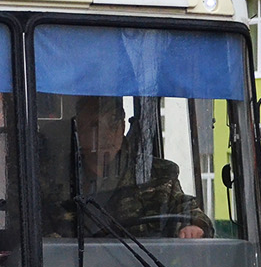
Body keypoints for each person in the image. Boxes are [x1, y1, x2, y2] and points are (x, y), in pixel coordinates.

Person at [60, 95, 213, 239]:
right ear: (79, 130)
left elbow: (190, 212)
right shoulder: (59, 179)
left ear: (122, 127)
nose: (105, 135)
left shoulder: (158, 174)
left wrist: (194, 227)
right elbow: (49, 239)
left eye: (113, 125)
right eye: (96, 126)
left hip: (147, 260)